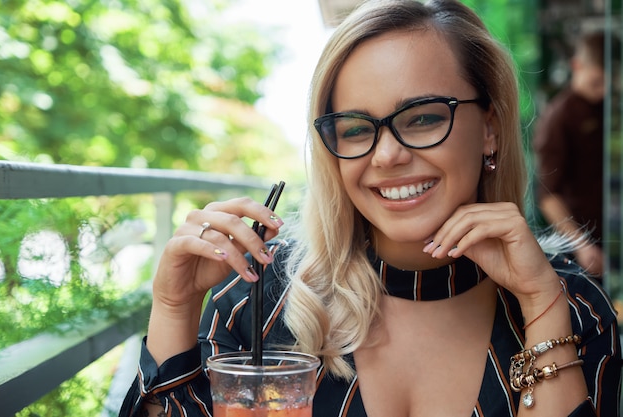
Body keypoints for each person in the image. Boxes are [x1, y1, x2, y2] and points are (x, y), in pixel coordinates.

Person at [119, 1, 622, 416]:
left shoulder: (574, 308)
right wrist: (173, 310)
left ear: (489, 128)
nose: (387, 156)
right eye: (356, 129)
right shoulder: (257, 300)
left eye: (423, 117)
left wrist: (541, 305)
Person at [533, 30, 614, 279]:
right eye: (596, 82)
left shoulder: (605, 107)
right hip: (579, 247)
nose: (604, 92)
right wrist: (581, 244)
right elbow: (547, 196)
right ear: (576, 66)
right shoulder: (559, 118)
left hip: (609, 233)